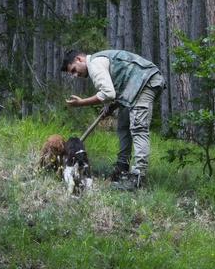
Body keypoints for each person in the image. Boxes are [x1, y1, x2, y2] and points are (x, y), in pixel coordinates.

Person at [61, 49, 164, 191]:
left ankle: (136, 178)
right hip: (136, 85)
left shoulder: (94, 64)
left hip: (145, 81)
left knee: (138, 128)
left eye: (74, 70)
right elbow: (119, 87)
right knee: (123, 125)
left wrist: (82, 102)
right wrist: (111, 107)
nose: (76, 75)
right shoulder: (98, 61)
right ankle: (121, 171)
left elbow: (108, 93)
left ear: (79, 59)